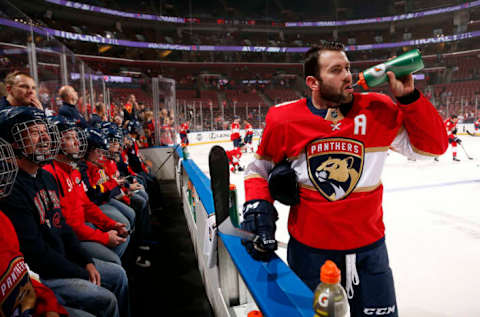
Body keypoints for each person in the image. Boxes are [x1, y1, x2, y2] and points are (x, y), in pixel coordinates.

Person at [240, 41, 448, 316]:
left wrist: (409, 99)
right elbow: (258, 170)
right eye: (336, 70)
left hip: (370, 251)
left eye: (348, 67)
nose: (348, 75)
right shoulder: (284, 118)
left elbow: (432, 148)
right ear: (313, 82)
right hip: (310, 253)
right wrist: (261, 213)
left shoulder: (378, 108)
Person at [0, 106, 130, 317]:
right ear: (14, 142)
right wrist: (79, 272)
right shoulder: (11, 189)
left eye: (45, 132)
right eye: (34, 132)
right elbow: (36, 253)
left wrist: (85, 260)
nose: (44, 138)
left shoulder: (46, 177)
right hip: (44, 274)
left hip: (62, 260)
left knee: (117, 274)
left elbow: (63, 226)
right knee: (107, 298)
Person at [44, 116, 131, 266]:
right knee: (116, 270)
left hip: (81, 230)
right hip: (70, 241)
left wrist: (110, 224)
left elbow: (86, 204)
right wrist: (104, 237)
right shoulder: (50, 174)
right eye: (70, 138)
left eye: (76, 137)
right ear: (55, 142)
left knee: (122, 231)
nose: (77, 143)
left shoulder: (73, 170)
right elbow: (69, 224)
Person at [0, 136, 69, 317]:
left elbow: (23, 275)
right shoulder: (15, 193)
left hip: (43, 283)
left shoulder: (3, 222)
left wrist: (50, 306)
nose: (46, 137)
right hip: (50, 270)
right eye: (35, 131)